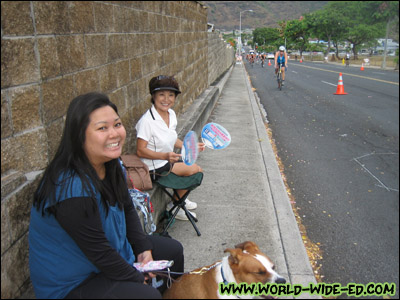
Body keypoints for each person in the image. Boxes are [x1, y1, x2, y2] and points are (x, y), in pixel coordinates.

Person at [29, 92, 184, 299]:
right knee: (146, 295)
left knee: (173, 251)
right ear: (79, 134)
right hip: (75, 283)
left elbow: (127, 206)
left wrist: (143, 249)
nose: (114, 134)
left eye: (117, 125)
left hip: (110, 254)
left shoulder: (112, 164)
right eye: (102, 128)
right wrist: (137, 277)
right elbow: (99, 253)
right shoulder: (70, 188)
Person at [136, 75, 205, 221]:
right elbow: (140, 150)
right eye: (161, 94)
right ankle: (175, 205)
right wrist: (165, 156)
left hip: (166, 161)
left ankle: (181, 200)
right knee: (194, 170)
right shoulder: (147, 122)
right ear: (153, 96)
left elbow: (172, 138)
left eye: (171, 95)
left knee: (197, 169)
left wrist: (191, 146)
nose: (166, 99)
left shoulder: (171, 114)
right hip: (153, 167)